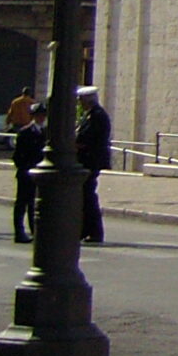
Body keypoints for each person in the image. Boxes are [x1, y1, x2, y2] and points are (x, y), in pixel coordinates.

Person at [76, 85, 111, 245]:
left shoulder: (97, 116)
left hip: (90, 160)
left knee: (88, 197)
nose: (80, 104)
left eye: (81, 101)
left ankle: (94, 232)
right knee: (84, 197)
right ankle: (84, 230)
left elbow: (86, 138)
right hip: (87, 160)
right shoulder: (89, 115)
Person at [9, 101, 44, 242]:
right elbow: (17, 155)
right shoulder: (25, 132)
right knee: (22, 203)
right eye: (38, 115)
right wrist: (24, 168)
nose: (41, 118)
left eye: (42, 115)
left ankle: (35, 231)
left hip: (39, 173)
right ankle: (19, 232)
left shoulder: (46, 132)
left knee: (34, 204)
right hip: (26, 173)